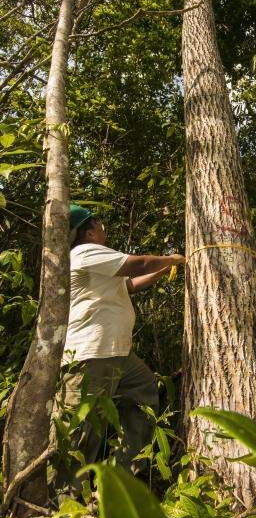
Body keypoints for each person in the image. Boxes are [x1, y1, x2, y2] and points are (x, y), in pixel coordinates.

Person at [52, 204, 185, 495]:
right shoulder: (85, 252)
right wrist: (173, 257)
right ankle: (65, 501)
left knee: (143, 391)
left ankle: (119, 479)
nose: (103, 229)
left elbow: (131, 283)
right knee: (82, 428)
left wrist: (165, 269)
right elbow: (137, 264)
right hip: (91, 352)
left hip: (116, 352)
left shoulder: (99, 263)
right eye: (99, 225)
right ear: (89, 230)